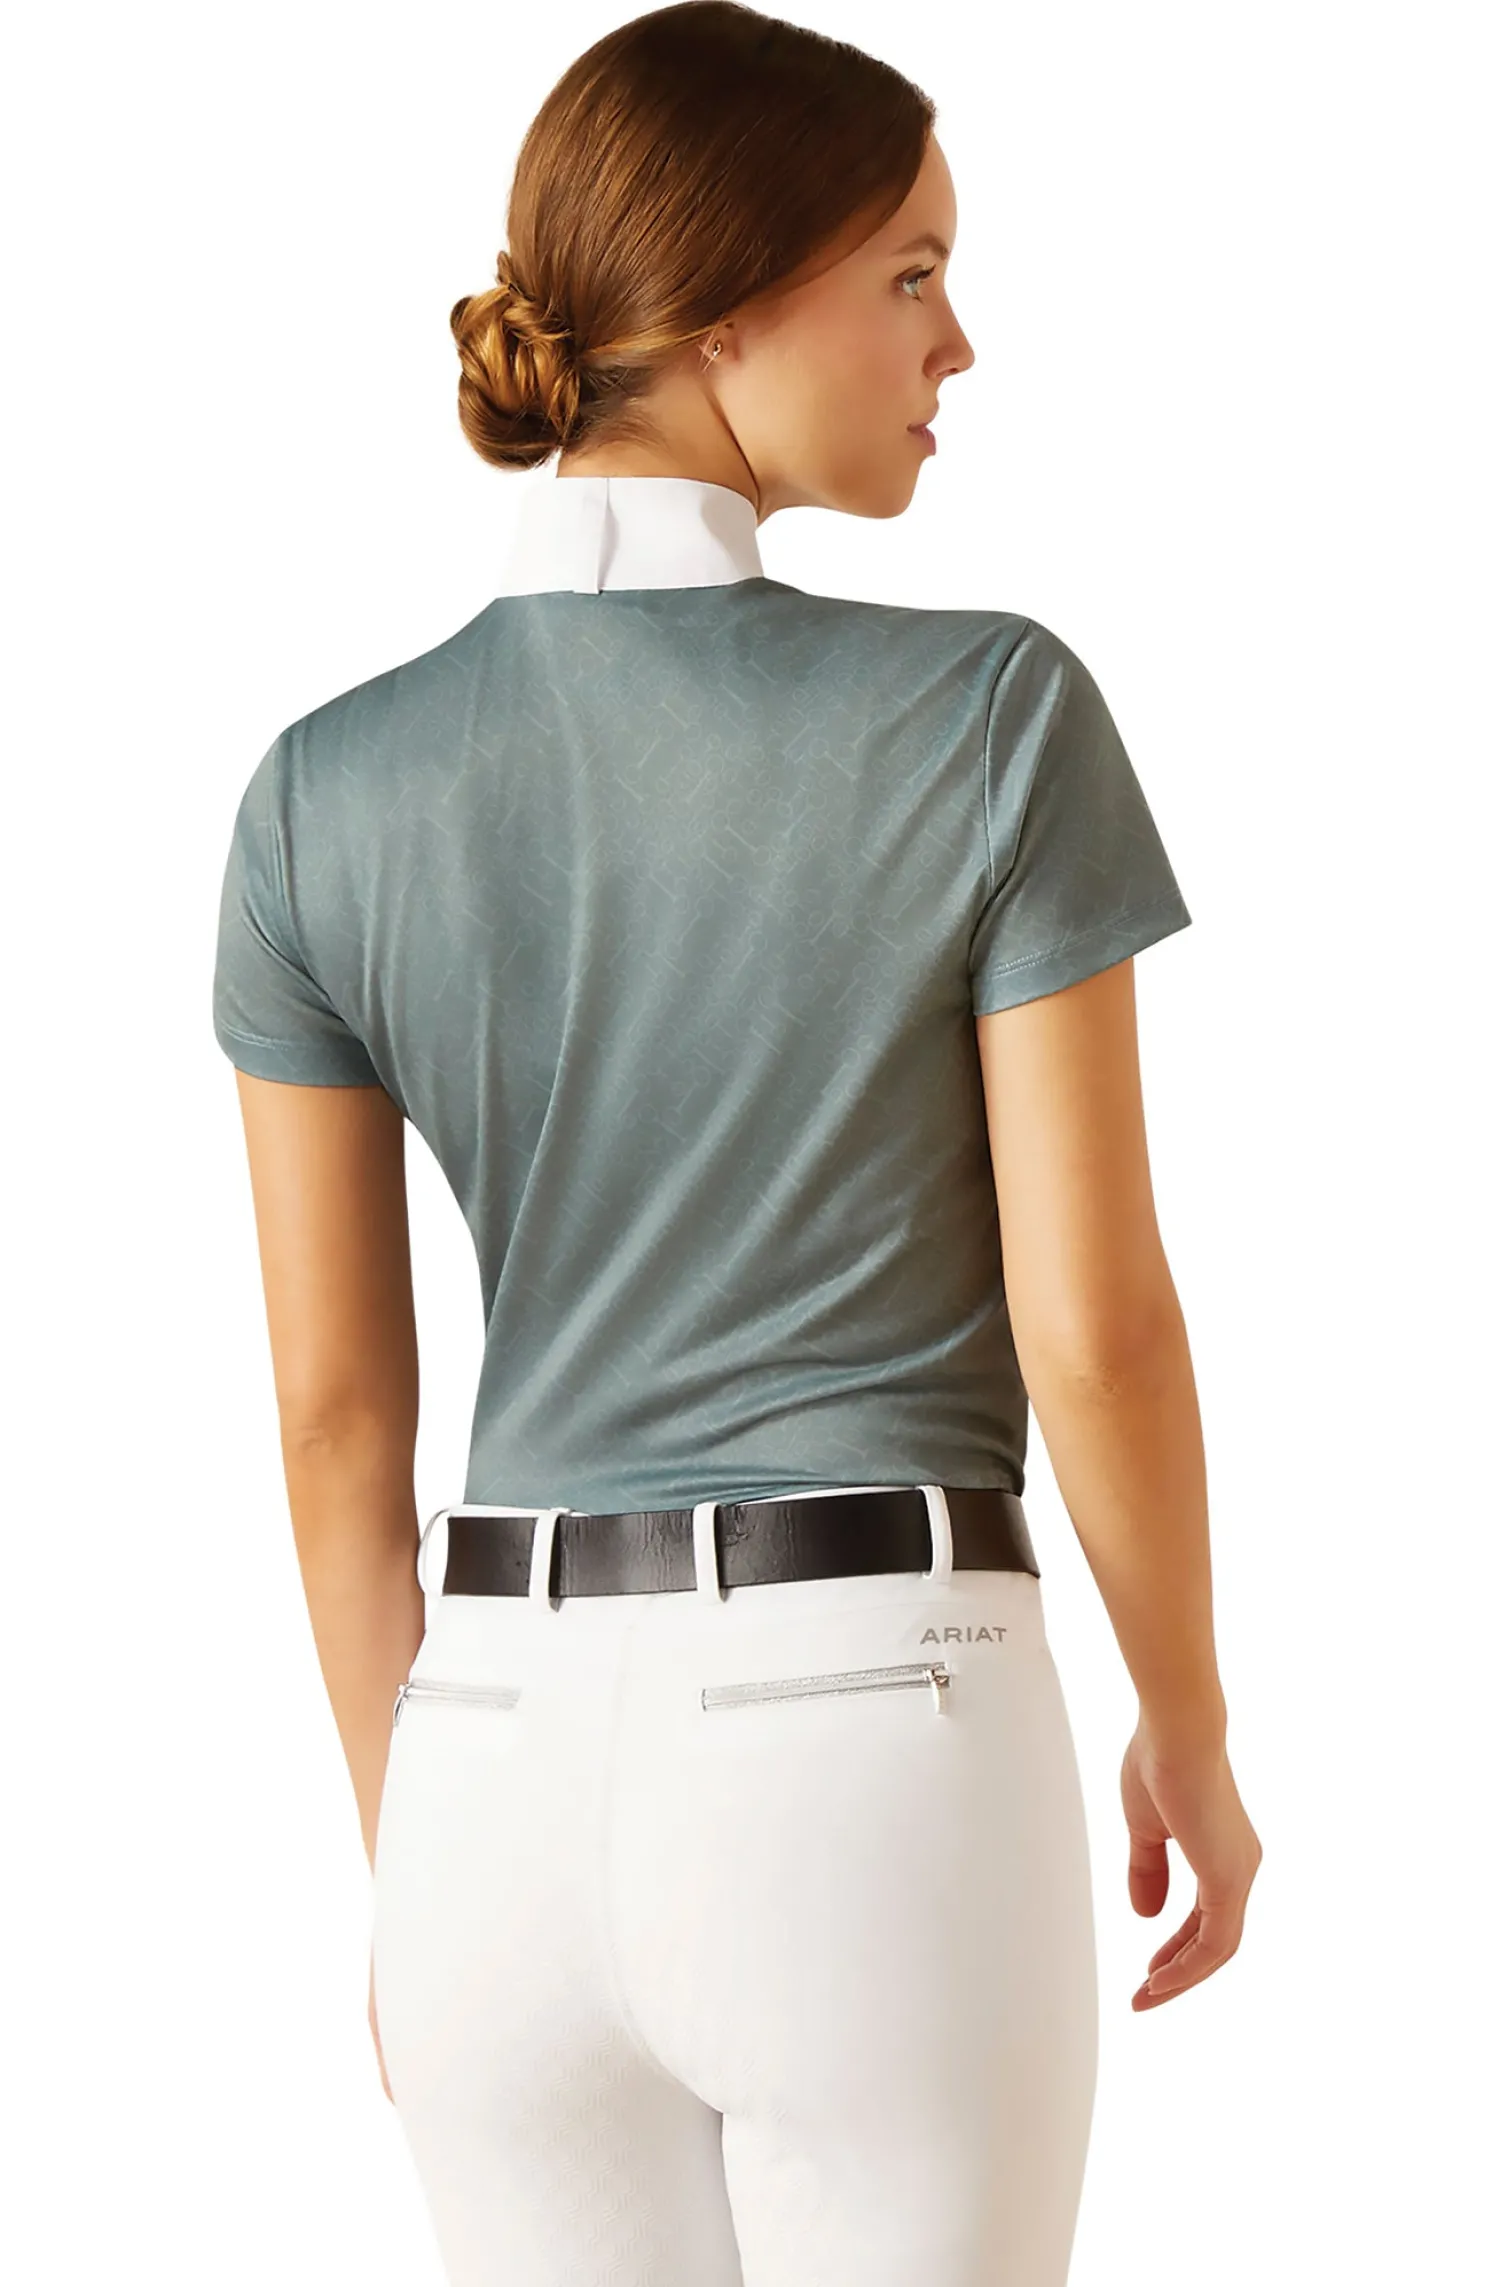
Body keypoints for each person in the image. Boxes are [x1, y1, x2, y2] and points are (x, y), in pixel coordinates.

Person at [211, 5, 1262, 2282]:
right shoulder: (989, 714)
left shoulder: (320, 793)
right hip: (871, 1725)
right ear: (724, 307)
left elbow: (332, 1422)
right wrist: (1186, 1718)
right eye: (913, 274)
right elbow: (1097, 1327)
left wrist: (417, 1851)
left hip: (483, 1757)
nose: (958, 342)